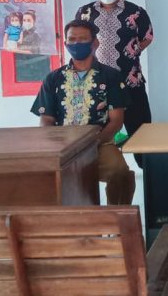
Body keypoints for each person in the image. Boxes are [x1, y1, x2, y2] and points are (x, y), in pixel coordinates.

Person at [31, 20, 135, 205]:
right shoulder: (53, 79)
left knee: (119, 172)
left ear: (95, 43)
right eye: (72, 39)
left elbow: (116, 121)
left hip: (100, 144)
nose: (76, 43)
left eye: (82, 39)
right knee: (40, 177)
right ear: (65, 43)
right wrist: (54, 147)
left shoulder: (110, 76)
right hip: (62, 148)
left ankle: (116, 219)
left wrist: (92, 144)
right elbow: (46, 119)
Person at [76, 0, 154, 167]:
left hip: (130, 81)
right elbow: (78, 38)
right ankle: (99, 171)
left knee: (141, 132)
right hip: (97, 85)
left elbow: (147, 37)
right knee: (97, 134)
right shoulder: (85, 12)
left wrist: (131, 52)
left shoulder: (136, 12)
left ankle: (148, 170)